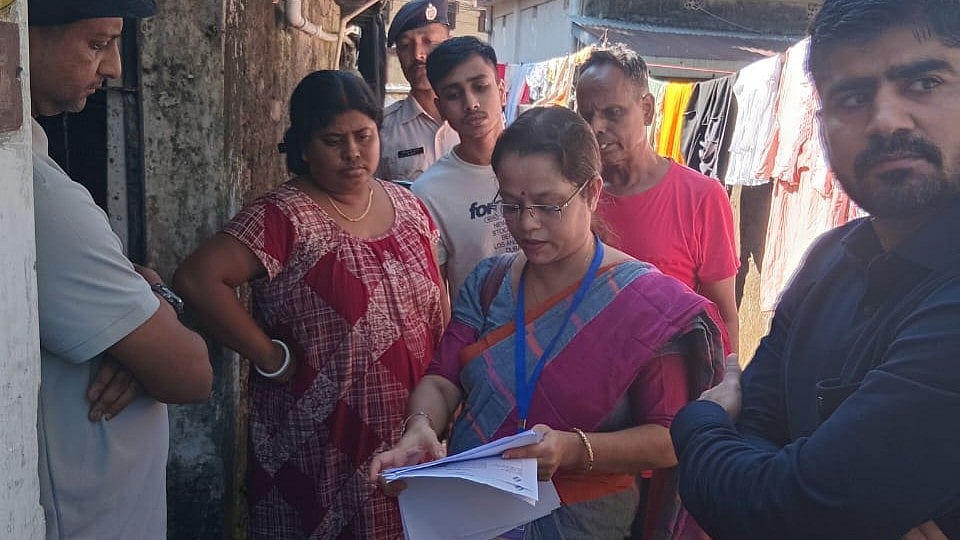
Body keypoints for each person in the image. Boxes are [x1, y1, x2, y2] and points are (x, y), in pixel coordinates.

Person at [670, 1, 960, 538]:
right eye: (852, 96)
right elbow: (763, 437)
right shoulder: (830, 258)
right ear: (820, 123)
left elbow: (782, 510)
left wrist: (697, 422)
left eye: (924, 83)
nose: (886, 120)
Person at [370, 106, 726, 539]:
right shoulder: (489, 282)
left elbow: (671, 438)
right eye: (511, 204)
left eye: (547, 205)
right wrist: (421, 425)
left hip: (583, 523)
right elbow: (443, 381)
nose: (526, 223)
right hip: (472, 514)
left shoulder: (647, 306)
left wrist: (573, 450)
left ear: (591, 193)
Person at [173, 70, 449, 539]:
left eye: (364, 136)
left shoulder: (410, 207)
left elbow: (438, 303)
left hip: (413, 428)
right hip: (320, 442)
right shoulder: (284, 216)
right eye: (333, 141)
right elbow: (198, 280)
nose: (353, 153)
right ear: (304, 147)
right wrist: (270, 357)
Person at [28, 0, 213, 538]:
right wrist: (146, 336)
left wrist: (144, 317)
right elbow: (190, 373)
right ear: (17, 38)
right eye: (97, 43)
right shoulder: (40, 199)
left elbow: (140, 285)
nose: (113, 67)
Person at [575, 45, 740, 353]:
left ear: (647, 109)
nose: (596, 128)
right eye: (586, 116)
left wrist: (727, 376)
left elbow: (723, 315)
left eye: (613, 113)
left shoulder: (701, 197)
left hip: (669, 374)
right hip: (586, 373)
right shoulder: (574, 196)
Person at [411, 36, 518, 304]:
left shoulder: (546, 164)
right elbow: (438, 296)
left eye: (480, 87)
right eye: (453, 95)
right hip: (479, 328)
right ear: (441, 108)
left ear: (502, 90)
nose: (471, 103)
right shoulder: (428, 194)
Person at [378, 0, 459, 183]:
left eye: (428, 42)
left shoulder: (476, 120)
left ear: (448, 45)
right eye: (405, 45)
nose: (417, 55)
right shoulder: (383, 130)